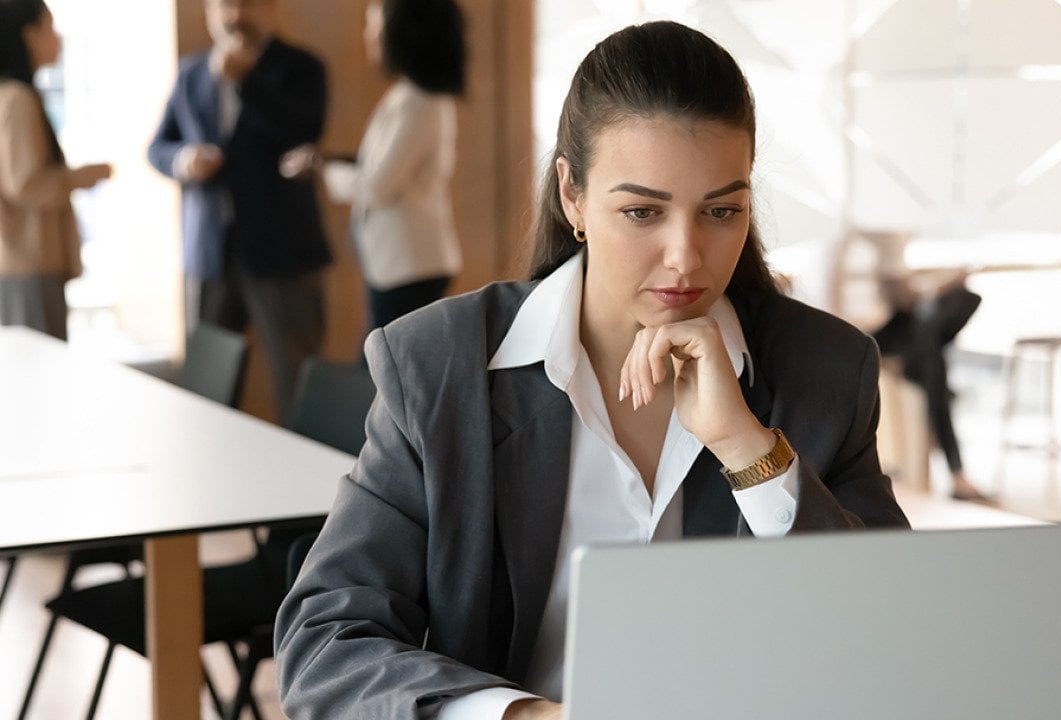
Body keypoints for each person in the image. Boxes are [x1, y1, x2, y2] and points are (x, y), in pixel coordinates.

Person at [275, 21, 909, 720]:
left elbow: (895, 636)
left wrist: (748, 449)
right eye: (642, 211)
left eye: (721, 210)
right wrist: (525, 716)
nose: (685, 257)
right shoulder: (438, 366)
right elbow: (326, 644)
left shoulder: (827, 372)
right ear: (571, 195)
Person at [148, 0, 330, 417]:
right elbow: (158, 147)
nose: (236, 15)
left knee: (298, 384)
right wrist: (183, 160)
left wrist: (247, 81)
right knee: (205, 388)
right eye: (225, 4)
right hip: (210, 252)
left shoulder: (301, 67)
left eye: (248, 3)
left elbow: (305, 130)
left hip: (283, 251)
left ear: (271, 8)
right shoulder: (191, 71)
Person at [282, 0, 465, 331]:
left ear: (403, 34)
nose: (368, 36)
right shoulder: (408, 96)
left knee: (381, 358)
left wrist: (320, 170)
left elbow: (377, 185)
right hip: (396, 263)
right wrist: (329, 159)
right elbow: (379, 164)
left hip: (410, 266)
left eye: (375, 27)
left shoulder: (420, 103)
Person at [0, 0, 111, 339]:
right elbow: (24, 184)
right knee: (38, 361)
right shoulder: (17, 98)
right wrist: (83, 177)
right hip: (29, 259)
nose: (58, 37)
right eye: (50, 27)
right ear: (29, 35)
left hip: (22, 262)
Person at [865, 231, 989, 502]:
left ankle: (921, 364)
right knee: (933, 361)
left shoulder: (887, 237)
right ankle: (957, 474)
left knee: (967, 300)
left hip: (900, 327)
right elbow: (904, 297)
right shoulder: (884, 234)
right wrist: (947, 282)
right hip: (879, 333)